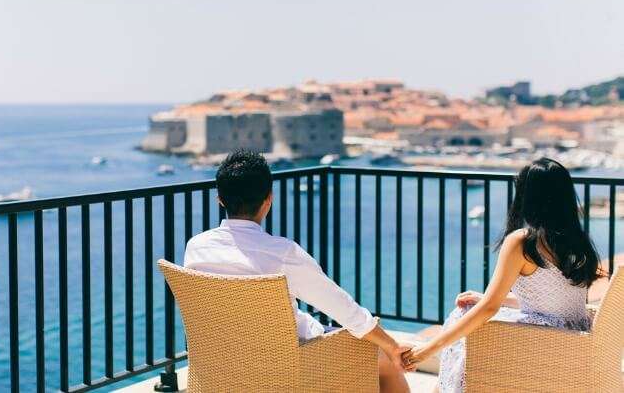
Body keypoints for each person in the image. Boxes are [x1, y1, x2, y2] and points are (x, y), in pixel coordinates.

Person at [184, 150, 410, 393]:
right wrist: (392, 345)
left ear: (220, 199)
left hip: (221, 363)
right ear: (268, 199)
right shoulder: (282, 253)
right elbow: (344, 310)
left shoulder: (196, 247)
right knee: (382, 359)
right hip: (289, 367)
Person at [401, 158, 602, 392]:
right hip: (572, 341)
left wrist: (426, 351)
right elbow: (554, 303)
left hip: (541, 345)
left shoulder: (523, 242)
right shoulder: (578, 242)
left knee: (461, 315)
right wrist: (490, 299)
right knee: (471, 308)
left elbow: (489, 309)